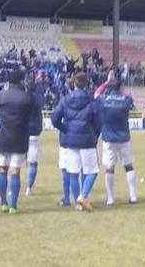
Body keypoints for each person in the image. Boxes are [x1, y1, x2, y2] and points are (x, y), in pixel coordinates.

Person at [52, 72, 101, 212]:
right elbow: (98, 121)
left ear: (74, 83)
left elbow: (55, 118)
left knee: (73, 173)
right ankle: (82, 197)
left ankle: (78, 202)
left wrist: (65, 128)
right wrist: (95, 134)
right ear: (86, 84)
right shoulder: (92, 100)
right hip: (87, 140)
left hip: (71, 141)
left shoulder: (66, 99)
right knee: (92, 171)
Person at [0, 69, 35, 214]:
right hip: (19, 137)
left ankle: (3, 202)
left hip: (3, 136)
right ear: (22, 79)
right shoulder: (27, 96)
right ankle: (13, 205)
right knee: (15, 171)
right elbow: (31, 113)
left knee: (2, 168)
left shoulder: (1, 95)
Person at [95, 73, 138, 206]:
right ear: (119, 88)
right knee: (129, 166)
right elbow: (130, 96)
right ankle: (133, 196)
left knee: (109, 168)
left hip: (109, 139)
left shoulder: (104, 99)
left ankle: (110, 198)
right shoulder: (125, 100)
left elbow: (95, 94)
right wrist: (121, 87)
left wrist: (106, 83)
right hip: (124, 138)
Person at [25, 73, 45, 196]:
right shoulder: (38, 101)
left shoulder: (21, 99)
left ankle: (12, 189)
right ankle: (28, 188)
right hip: (34, 134)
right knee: (33, 163)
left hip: (21, 133)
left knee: (15, 162)